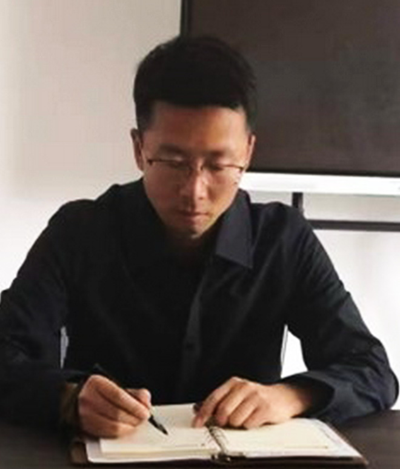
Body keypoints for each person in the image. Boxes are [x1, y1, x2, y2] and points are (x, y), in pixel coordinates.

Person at [0, 36, 397, 438]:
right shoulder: (79, 232)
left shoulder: (283, 240)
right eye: (173, 162)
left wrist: (289, 396)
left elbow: (372, 371)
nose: (194, 191)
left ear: (248, 152)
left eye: (218, 165)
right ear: (138, 148)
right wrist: (68, 398)